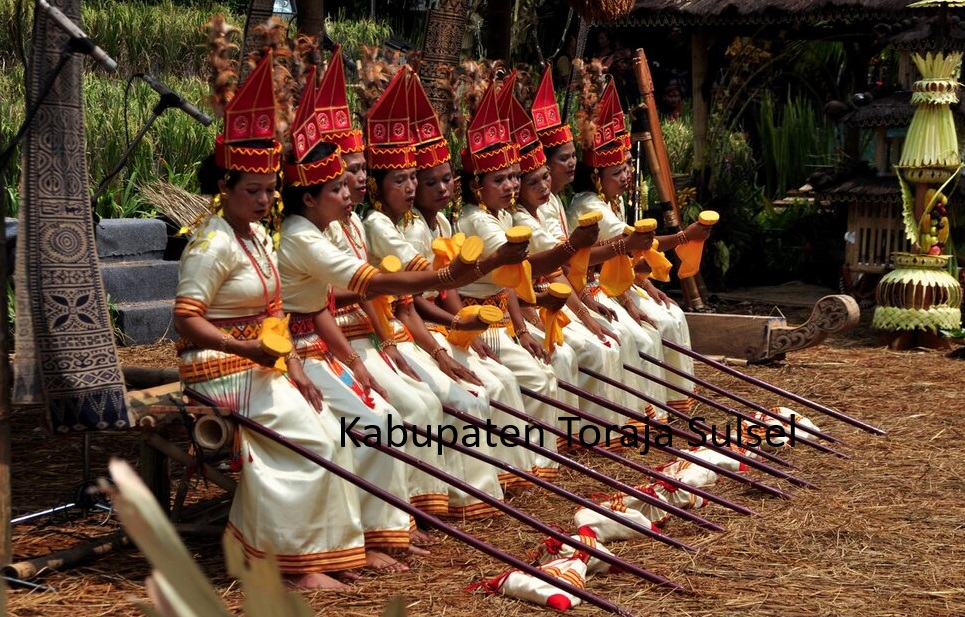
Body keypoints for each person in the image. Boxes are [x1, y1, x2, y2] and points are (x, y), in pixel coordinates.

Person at [173, 53, 365, 589]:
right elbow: (187, 320)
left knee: (334, 430)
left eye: (268, 189)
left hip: (264, 361)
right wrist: (251, 353)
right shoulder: (210, 243)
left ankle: (320, 553)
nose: (263, 199)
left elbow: (276, 313)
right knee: (313, 442)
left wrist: (294, 364)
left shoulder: (259, 236)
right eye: (251, 190)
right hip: (217, 367)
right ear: (225, 188)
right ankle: (278, 562)